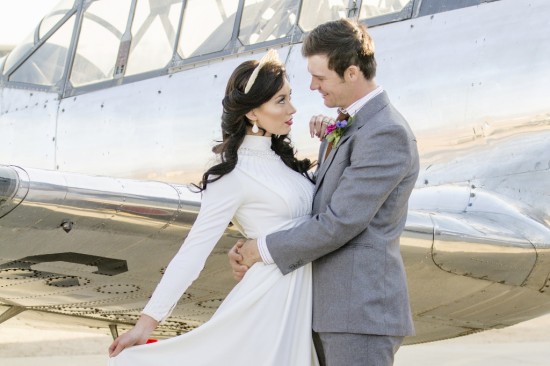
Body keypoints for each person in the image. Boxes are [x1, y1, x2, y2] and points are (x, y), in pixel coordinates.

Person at [107, 49, 321, 365]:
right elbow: (193, 252)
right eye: (280, 100)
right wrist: (145, 325)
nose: (292, 108)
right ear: (252, 112)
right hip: (267, 306)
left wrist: (333, 137)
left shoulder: (285, 163)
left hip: (299, 303)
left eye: (290, 97)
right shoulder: (231, 174)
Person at [229, 18, 419, 366]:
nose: (313, 86)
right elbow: (318, 203)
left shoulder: (385, 133)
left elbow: (340, 221)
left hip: (357, 314)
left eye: (320, 77)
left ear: (351, 73)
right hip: (331, 311)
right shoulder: (352, 126)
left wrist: (263, 250)